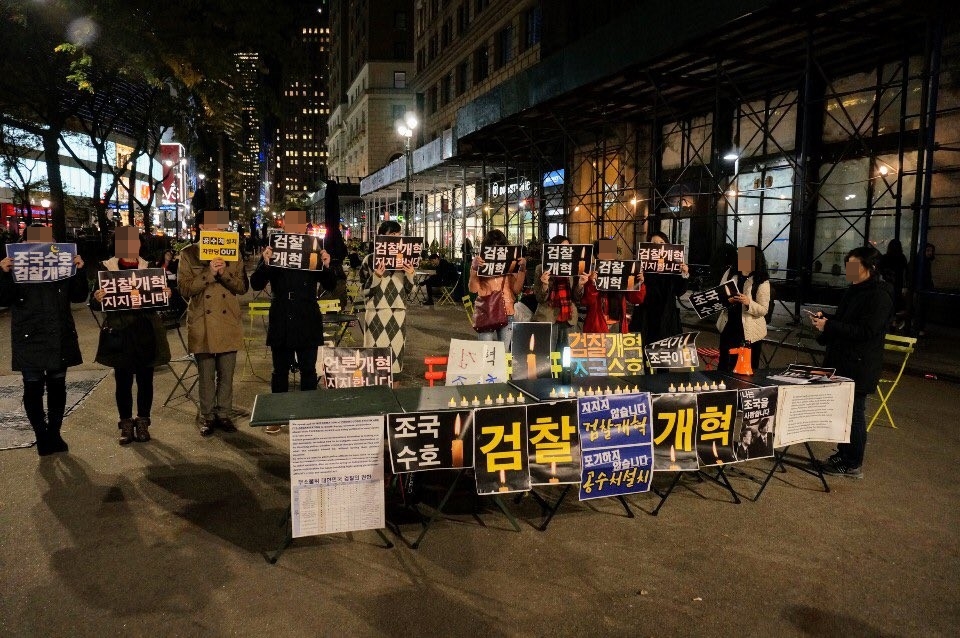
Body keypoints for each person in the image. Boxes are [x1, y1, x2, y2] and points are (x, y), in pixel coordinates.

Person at [0, 225, 88, 456]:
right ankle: (41, 434)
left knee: (58, 386)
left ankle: (55, 432)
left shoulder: (63, 262)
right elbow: (3, 299)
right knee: (33, 387)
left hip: (59, 333)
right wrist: (4, 274)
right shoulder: (15, 265)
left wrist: (79, 270)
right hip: (29, 335)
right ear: (24, 243)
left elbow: (79, 296)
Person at [811, 245, 894, 479]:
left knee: (855, 413)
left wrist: (830, 325)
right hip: (842, 361)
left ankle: (853, 463)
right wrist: (826, 320)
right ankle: (843, 453)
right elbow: (845, 321)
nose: (849, 269)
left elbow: (866, 331)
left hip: (860, 364)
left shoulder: (880, 294)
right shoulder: (854, 290)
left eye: (855, 265)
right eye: (848, 264)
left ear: (871, 267)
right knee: (842, 411)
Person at [251, 211, 336, 435]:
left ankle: (307, 415)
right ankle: (277, 416)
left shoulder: (314, 248)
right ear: (283, 225)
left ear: (306, 226)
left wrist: (327, 265)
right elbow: (256, 284)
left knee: (308, 370)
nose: (295, 228)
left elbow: (331, 284)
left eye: (300, 223)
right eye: (290, 223)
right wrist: (265, 263)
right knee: (279, 370)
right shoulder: (274, 248)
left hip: (307, 314)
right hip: (281, 315)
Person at [91, 227, 172, 445]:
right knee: (123, 381)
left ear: (139, 244)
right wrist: (97, 298)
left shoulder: (150, 268)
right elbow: (95, 302)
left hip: (145, 331)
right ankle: (125, 423)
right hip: (120, 332)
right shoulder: (106, 268)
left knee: (146, 380)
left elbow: (160, 301)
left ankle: (143, 421)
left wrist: (166, 294)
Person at [178, 210, 249, 436]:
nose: (218, 229)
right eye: (213, 224)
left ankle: (224, 414)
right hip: (202, 321)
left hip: (228, 320)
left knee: (227, 374)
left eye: (221, 225)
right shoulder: (188, 253)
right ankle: (207, 416)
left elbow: (242, 288)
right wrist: (209, 273)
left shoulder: (233, 252)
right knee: (206, 375)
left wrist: (224, 273)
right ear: (201, 227)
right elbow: (184, 289)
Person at [360, 220, 415, 374]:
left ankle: (394, 387)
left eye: (399, 234)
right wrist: (377, 276)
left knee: (395, 358)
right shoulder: (370, 259)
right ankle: (374, 387)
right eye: (392, 234)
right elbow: (364, 290)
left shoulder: (405, 259)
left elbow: (410, 290)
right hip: (376, 311)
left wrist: (410, 274)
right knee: (373, 357)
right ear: (381, 237)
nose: (397, 237)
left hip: (398, 311)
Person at [468, 229, 526, 349]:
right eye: (492, 246)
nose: (496, 249)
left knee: (503, 353)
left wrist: (522, 269)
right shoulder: (480, 262)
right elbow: (473, 289)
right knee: (486, 352)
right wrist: (474, 269)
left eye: (499, 246)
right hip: (486, 310)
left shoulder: (511, 263)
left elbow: (516, 290)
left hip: (507, 310)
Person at [628, 231, 690, 343]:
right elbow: (633, 293)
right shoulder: (642, 265)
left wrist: (684, 274)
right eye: (654, 244)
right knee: (645, 345)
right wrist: (639, 281)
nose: (658, 247)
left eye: (661, 243)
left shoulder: (673, 266)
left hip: (666, 314)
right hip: (645, 314)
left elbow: (679, 291)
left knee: (664, 348)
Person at [716, 245, 770, 372]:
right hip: (729, 326)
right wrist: (727, 300)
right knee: (725, 365)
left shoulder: (761, 281)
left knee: (746, 369)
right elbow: (719, 293)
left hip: (749, 332)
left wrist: (748, 303)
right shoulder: (730, 273)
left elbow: (763, 310)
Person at [532, 235, 584, 351]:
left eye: (568, 248)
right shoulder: (541, 268)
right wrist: (544, 285)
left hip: (569, 318)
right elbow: (539, 298)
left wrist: (580, 285)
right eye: (562, 248)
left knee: (567, 355)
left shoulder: (574, 268)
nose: (566, 251)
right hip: (548, 317)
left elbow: (576, 297)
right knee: (547, 354)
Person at [580, 269, 646, 333]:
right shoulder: (594, 272)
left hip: (618, 324)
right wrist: (593, 283)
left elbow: (637, 299)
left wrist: (639, 283)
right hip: (597, 325)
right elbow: (587, 301)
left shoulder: (624, 272)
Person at [878, 238, 909, 331]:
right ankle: (894, 322)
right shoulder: (902, 258)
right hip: (898, 285)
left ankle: (889, 322)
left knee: (887, 304)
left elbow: (880, 270)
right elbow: (904, 273)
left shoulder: (884, 258)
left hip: (886, 284)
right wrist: (905, 286)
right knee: (896, 304)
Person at [910, 242, 935, 337]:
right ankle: (918, 328)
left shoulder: (922, 261)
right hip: (919, 289)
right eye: (928, 250)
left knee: (920, 309)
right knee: (920, 309)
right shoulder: (921, 262)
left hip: (920, 288)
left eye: (931, 251)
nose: (930, 253)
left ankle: (917, 327)